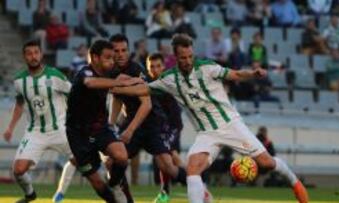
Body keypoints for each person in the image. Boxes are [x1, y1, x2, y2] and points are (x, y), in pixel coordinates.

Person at [111, 33, 309, 203]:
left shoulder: (208, 68)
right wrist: (116, 87)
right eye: (183, 58)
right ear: (176, 57)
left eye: (190, 56)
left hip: (230, 125)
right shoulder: (170, 79)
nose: (187, 61)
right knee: (192, 169)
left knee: (266, 163)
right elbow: (144, 88)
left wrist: (253, 73)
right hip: (207, 133)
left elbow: (236, 74)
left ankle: (294, 181)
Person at [108, 34, 190, 203]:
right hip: (134, 121)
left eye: (124, 50)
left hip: (153, 123)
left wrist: (129, 130)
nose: (121, 54)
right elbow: (117, 97)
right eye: (116, 51)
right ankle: (128, 200)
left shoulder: (136, 70)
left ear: (129, 51)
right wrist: (111, 123)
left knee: (168, 164)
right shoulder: (112, 71)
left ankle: (198, 187)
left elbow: (147, 105)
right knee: (112, 160)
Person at [65, 40, 140, 203]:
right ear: (95, 58)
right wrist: (120, 83)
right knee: (97, 182)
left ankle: (114, 184)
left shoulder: (110, 72)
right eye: (107, 58)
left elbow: (125, 77)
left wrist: (141, 81)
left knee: (121, 156)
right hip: (78, 135)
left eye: (112, 58)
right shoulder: (85, 73)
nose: (112, 61)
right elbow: (91, 83)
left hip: (100, 128)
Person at [2, 40, 76, 203]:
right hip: (36, 132)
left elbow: (73, 95)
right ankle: (30, 195)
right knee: (18, 170)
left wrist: (76, 120)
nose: (33, 56)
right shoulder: (19, 81)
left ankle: (60, 193)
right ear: (24, 57)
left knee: (82, 160)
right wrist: (10, 128)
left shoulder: (55, 75)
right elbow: (20, 104)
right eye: (29, 53)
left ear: (41, 54)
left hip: (60, 129)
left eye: (36, 52)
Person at [147, 53, 184, 202]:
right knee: (163, 158)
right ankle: (165, 192)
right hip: (161, 128)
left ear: (163, 67)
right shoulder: (149, 84)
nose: (155, 69)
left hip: (173, 126)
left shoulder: (168, 82)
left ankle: (199, 184)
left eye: (158, 66)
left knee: (171, 156)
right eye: (152, 67)